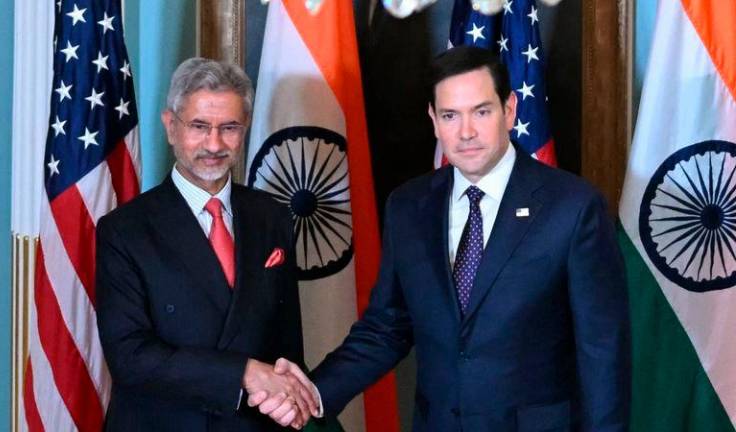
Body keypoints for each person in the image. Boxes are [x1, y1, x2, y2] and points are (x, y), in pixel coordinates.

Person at [274, 45, 630, 431]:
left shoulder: (573, 207)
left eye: (481, 111)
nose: (466, 133)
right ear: (433, 120)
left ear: (509, 110)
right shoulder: (408, 206)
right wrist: (313, 391)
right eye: (450, 115)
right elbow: (387, 327)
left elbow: (603, 352)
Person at [95, 58, 319, 431]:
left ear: (244, 128)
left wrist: (287, 400)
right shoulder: (124, 230)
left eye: (229, 127)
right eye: (199, 126)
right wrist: (243, 373)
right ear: (171, 127)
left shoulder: (272, 217)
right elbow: (130, 356)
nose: (214, 144)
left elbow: (286, 343)